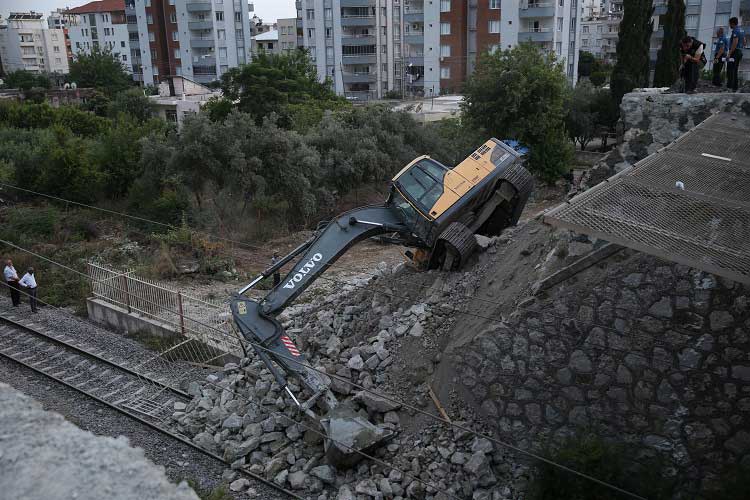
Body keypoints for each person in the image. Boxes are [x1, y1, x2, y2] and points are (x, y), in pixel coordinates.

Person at [727, 17, 745, 91]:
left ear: (732, 23)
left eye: (730, 24)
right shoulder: (741, 30)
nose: (729, 25)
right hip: (739, 51)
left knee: (730, 70)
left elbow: (735, 43)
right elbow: (744, 41)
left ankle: (730, 87)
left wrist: (729, 54)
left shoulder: (735, 31)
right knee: (735, 70)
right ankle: (735, 87)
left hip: (735, 52)